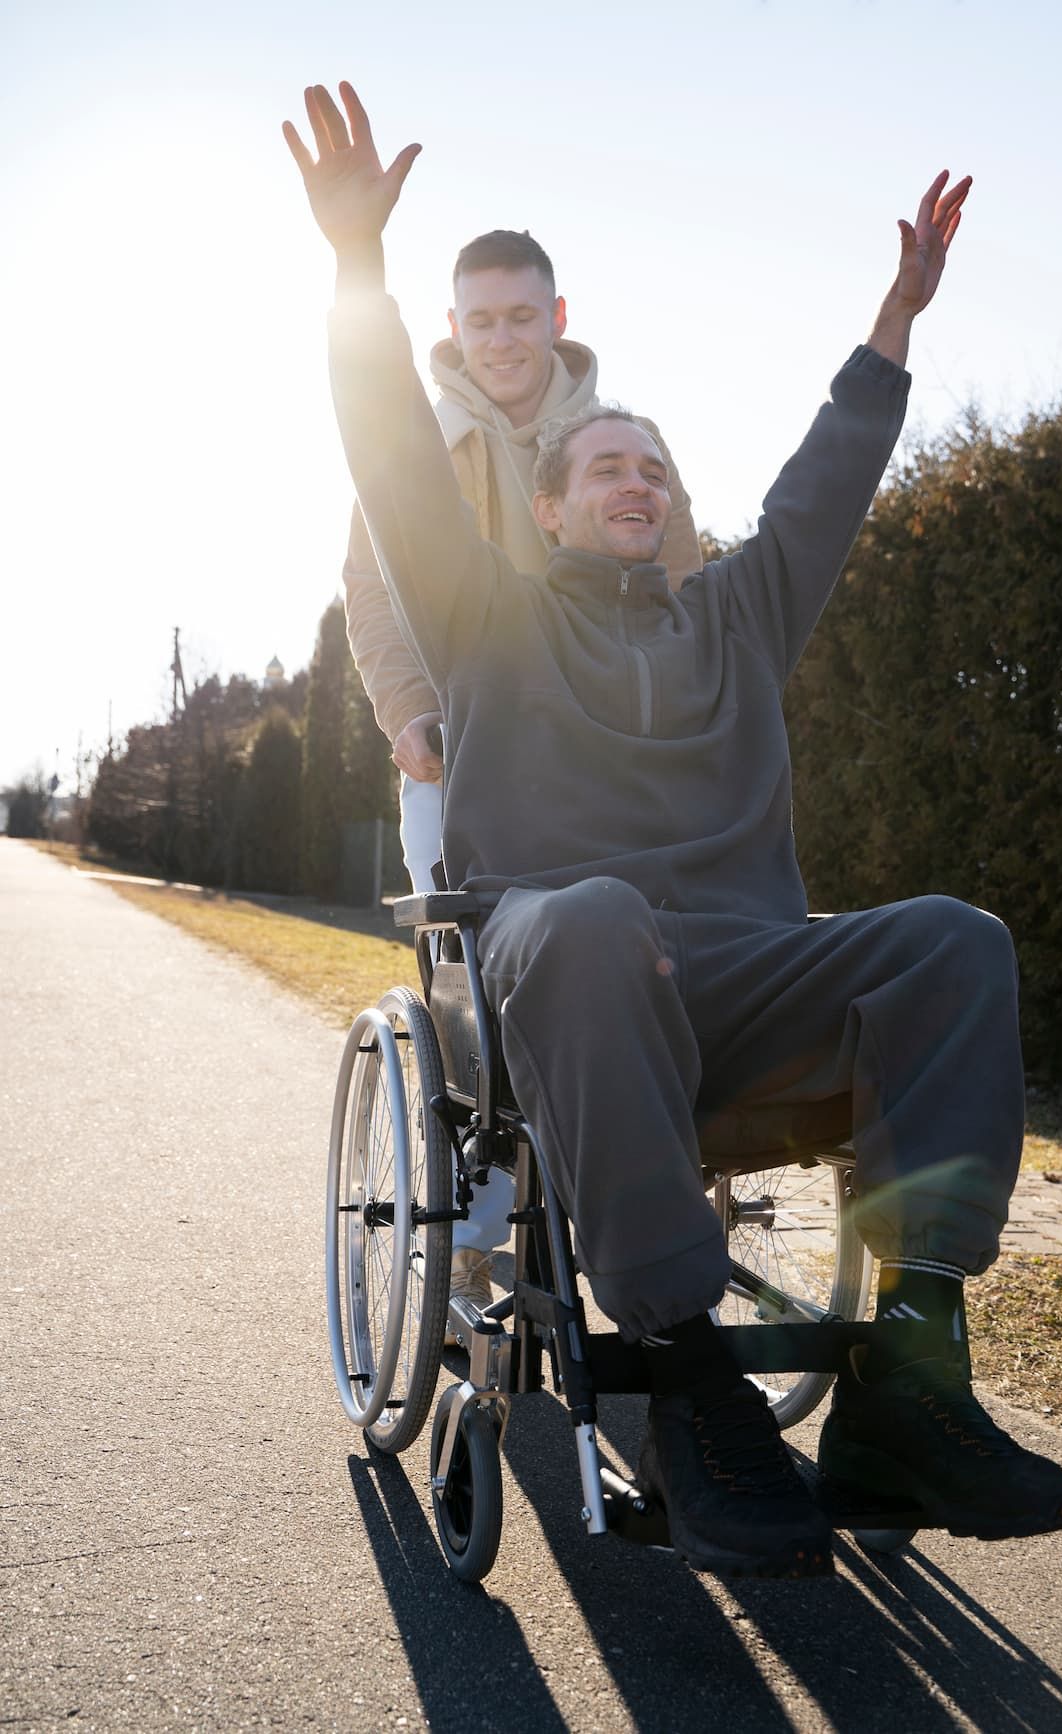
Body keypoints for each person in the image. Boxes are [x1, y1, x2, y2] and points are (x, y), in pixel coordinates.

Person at [285, 82, 1062, 1580]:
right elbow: (395, 455)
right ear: (550, 507)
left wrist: (895, 318)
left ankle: (909, 1379)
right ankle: (690, 1376)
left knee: (954, 944)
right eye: (606, 467)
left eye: (655, 466)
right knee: (585, 914)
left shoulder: (736, 620)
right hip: (570, 985)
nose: (636, 480)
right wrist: (354, 272)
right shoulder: (490, 620)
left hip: (739, 985)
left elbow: (826, 486)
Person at [343, 230, 700, 1338]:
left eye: (520, 316)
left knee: (648, 936)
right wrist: (408, 713)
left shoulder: (618, 443)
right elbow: (370, 589)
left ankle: (670, 1168)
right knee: (476, 985)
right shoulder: (426, 437)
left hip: (605, 754)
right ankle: (478, 1230)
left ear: (556, 317)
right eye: (480, 320)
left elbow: (686, 589)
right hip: (465, 748)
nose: (501, 338)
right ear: (454, 330)